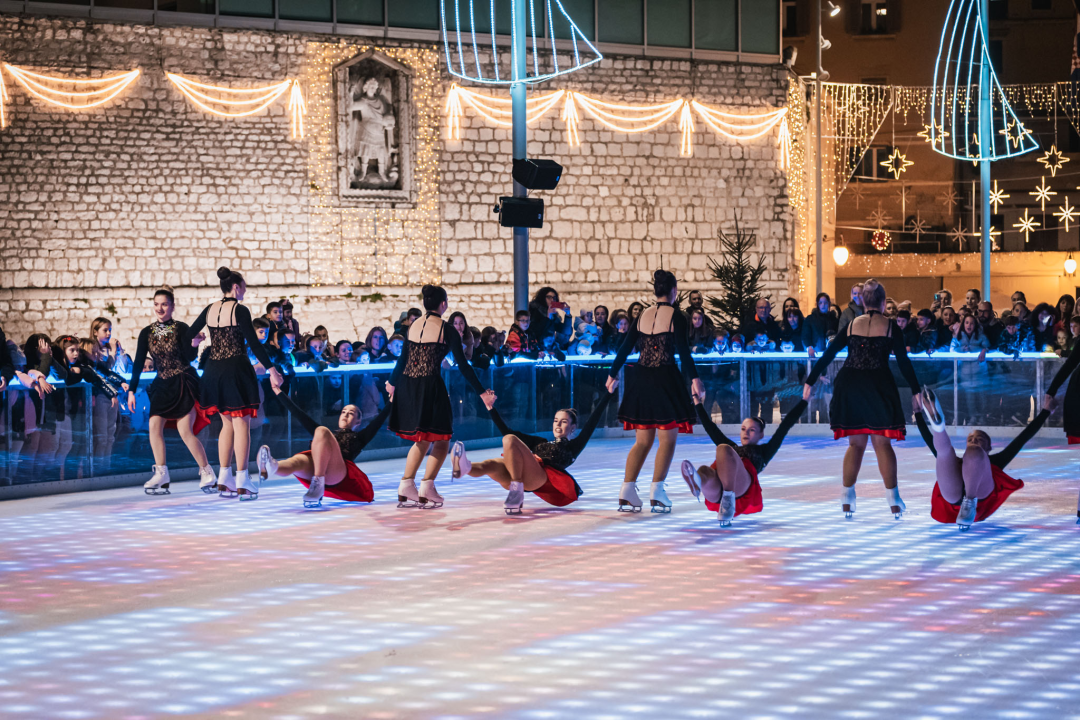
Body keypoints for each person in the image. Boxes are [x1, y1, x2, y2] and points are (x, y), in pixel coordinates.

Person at [803, 279, 921, 519]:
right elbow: (903, 362)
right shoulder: (890, 327)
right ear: (882, 301)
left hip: (851, 385)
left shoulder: (851, 325)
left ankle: (847, 498)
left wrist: (810, 380)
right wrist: (916, 391)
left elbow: (829, 354)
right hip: (878, 385)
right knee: (882, 444)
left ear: (864, 301)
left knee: (855, 445)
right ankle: (894, 500)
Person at [386, 285, 496, 509]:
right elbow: (464, 366)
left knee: (423, 438)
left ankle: (407, 484)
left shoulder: (413, 325)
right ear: (443, 304)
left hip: (408, 385)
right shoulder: (447, 330)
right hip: (430, 386)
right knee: (442, 438)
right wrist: (483, 392)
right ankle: (427, 486)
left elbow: (402, 361)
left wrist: (392, 383)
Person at [606, 269, 704, 513]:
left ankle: (627, 490)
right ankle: (657, 490)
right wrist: (695, 379)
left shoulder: (642, 315)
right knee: (668, 439)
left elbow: (625, 347)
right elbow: (683, 350)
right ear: (673, 291)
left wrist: (612, 372)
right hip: (665, 379)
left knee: (643, 441)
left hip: (640, 380)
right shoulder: (677, 316)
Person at [187, 267, 284, 501]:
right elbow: (254, 342)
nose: (245, 291)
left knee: (226, 425)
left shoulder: (210, 309)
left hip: (213, 371)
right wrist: (272, 370)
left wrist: (197, 340)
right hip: (235, 370)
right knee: (242, 424)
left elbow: (189, 334)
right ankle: (242, 479)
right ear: (236, 287)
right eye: (244, 287)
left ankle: (225, 478)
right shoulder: (240, 310)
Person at [450, 390, 616, 514]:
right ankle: (466, 467)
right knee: (492, 464)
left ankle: (516, 491)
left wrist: (608, 393)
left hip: (540, 479)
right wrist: (490, 408)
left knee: (509, 440)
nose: (558, 425)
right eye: (556, 421)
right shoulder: (540, 442)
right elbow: (506, 430)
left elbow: (592, 422)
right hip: (524, 475)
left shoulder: (573, 446)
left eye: (564, 422)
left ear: (573, 427)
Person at [916, 389, 1053, 529]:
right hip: (952, 494)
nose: (974, 440)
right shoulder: (957, 462)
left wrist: (1046, 411)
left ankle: (970, 500)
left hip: (975, 495)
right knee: (943, 452)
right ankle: (938, 427)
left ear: (989, 448)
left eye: (979, 439)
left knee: (972, 453)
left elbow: (1023, 437)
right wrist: (917, 413)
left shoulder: (996, 460)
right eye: (970, 439)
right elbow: (928, 439)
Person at [127, 287, 216, 495]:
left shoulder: (182, 328)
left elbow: (189, 356)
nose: (160, 308)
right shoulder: (146, 332)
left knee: (185, 431)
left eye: (164, 304)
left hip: (183, 382)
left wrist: (194, 344)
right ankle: (162, 473)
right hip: (162, 385)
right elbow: (139, 363)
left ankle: (207, 471)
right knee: (153, 427)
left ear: (172, 306)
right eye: (157, 304)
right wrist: (131, 390)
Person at [258, 372, 391, 508]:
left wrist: (392, 399)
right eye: (343, 412)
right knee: (297, 461)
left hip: (338, 474)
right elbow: (298, 413)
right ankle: (272, 466)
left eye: (351, 414)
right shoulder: (326, 436)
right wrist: (277, 391)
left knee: (321, 430)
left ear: (358, 421)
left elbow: (379, 421)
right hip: (317, 467)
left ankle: (317, 483)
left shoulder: (360, 437)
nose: (345, 415)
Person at [681, 395, 808, 526]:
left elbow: (785, 425)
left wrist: (805, 400)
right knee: (704, 470)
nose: (746, 433)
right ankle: (698, 483)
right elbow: (710, 427)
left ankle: (727, 499)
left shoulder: (765, 451)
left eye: (752, 430)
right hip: (717, 490)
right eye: (743, 429)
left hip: (740, 486)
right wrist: (697, 403)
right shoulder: (735, 447)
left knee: (724, 448)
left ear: (761, 435)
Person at [529, 287, 573, 352]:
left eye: (554, 298)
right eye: (549, 297)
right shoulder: (535, 311)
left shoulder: (554, 315)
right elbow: (537, 332)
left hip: (550, 346)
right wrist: (548, 316)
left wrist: (568, 315)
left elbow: (565, 331)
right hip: (537, 347)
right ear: (543, 298)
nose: (552, 300)